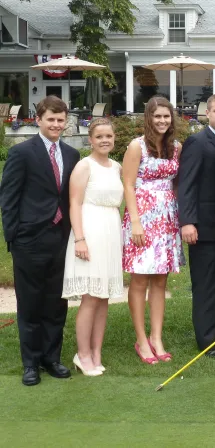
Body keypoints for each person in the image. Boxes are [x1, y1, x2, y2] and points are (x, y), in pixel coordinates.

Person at [0, 95, 80, 386]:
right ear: (39, 120)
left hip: (61, 237)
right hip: (29, 240)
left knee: (55, 303)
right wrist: (14, 236)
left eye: (61, 120)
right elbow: (8, 198)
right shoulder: (23, 153)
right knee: (31, 303)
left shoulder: (72, 155)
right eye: (51, 119)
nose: (56, 124)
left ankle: (51, 358)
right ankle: (30, 363)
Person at [122, 96, 183, 364]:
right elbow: (128, 184)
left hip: (168, 217)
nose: (162, 121)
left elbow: (177, 184)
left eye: (166, 116)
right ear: (148, 117)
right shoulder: (137, 147)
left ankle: (156, 337)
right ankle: (141, 339)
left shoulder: (176, 147)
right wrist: (135, 221)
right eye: (157, 116)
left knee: (160, 280)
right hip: (143, 218)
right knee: (140, 280)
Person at [62, 118, 124, 376]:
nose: (104, 140)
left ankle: (96, 352)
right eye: (99, 137)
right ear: (90, 140)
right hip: (90, 230)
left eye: (108, 136)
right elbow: (74, 204)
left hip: (111, 230)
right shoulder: (83, 166)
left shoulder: (117, 167)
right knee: (89, 297)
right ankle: (82, 354)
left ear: (114, 138)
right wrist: (80, 239)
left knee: (103, 297)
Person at [178, 94, 215, 359]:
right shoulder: (197, 142)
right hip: (204, 228)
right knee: (206, 286)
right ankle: (207, 341)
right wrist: (187, 221)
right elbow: (186, 185)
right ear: (207, 114)